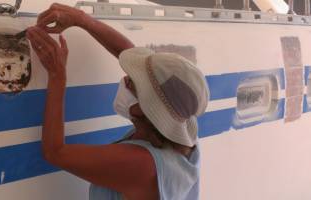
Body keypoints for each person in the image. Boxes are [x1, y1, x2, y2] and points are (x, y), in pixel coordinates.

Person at [26, 3, 210, 200]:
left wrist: (57, 75)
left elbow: (56, 152)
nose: (124, 80)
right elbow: (128, 52)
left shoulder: (142, 165)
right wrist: (81, 19)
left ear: (144, 109)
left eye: (131, 81)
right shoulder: (180, 122)